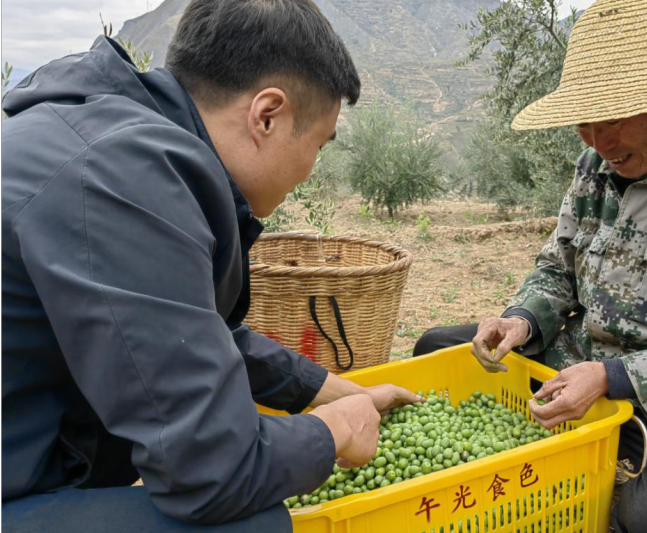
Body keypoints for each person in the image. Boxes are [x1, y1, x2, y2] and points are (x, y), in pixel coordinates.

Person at [1, 0, 420, 531]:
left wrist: (327, 389)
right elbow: (214, 472)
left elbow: (176, 333)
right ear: (267, 115)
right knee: (250, 524)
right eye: (318, 144)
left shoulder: (109, 140)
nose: (311, 171)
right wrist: (332, 431)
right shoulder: (123, 180)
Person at [414, 0, 647, 531]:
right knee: (438, 349)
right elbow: (558, 266)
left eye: (612, 119)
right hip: (579, 363)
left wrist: (615, 377)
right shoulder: (599, 160)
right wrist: (522, 319)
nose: (597, 142)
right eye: (584, 123)